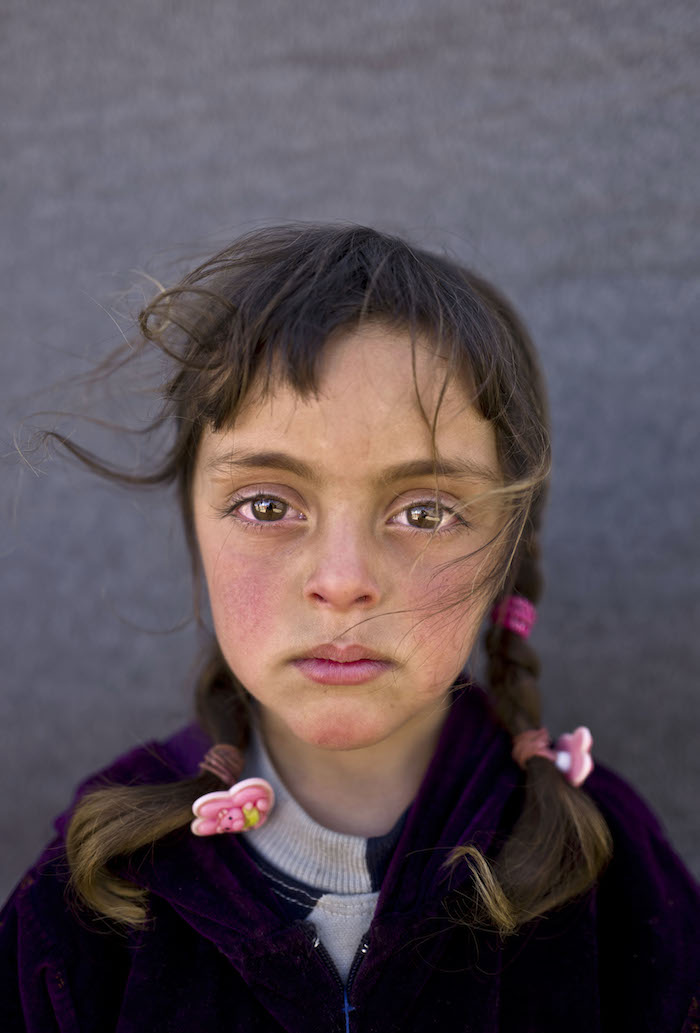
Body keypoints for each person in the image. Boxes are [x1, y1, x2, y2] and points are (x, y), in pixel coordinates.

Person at [1, 224, 698, 1033]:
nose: (341, 581)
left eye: (425, 512)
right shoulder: (94, 891)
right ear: (196, 523)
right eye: (268, 506)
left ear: (508, 546)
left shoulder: (609, 871)